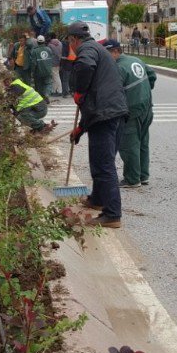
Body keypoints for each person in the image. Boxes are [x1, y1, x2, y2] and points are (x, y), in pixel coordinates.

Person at [67, 21, 128, 228]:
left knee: (104, 165)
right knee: (100, 161)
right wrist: (80, 129)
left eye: (70, 43)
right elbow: (95, 101)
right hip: (110, 113)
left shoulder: (87, 49)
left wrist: (79, 90)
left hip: (106, 115)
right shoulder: (98, 49)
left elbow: (84, 66)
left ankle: (112, 214)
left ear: (74, 40)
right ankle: (98, 200)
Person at [104, 39, 156, 189]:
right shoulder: (136, 60)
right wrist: (143, 92)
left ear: (115, 51)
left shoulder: (118, 68)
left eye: (108, 54)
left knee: (129, 144)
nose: (107, 58)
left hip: (131, 110)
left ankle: (132, 179)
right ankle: (143, 175)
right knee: (142, 142)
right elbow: (152, 76)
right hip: (146, 107)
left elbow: (113, 93)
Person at [30, 35, 55, 100]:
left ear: (37, 42)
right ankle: (46, 94)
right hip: (48, 71)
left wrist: (32, 71)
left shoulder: (34, 51)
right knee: (48, 83)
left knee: (39, 86)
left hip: (38, 72)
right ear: (44, 42)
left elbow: (33, 63)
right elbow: (51, 60)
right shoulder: (49, 49)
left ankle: (41, 99)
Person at [47, 32, 63, 96]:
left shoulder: (49, 45)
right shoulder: (60, 43)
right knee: (56, 76)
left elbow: (49, 54)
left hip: (52, 62)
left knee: (55, 77)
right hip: (59, 61)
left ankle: (59, 91)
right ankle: (54, 90)